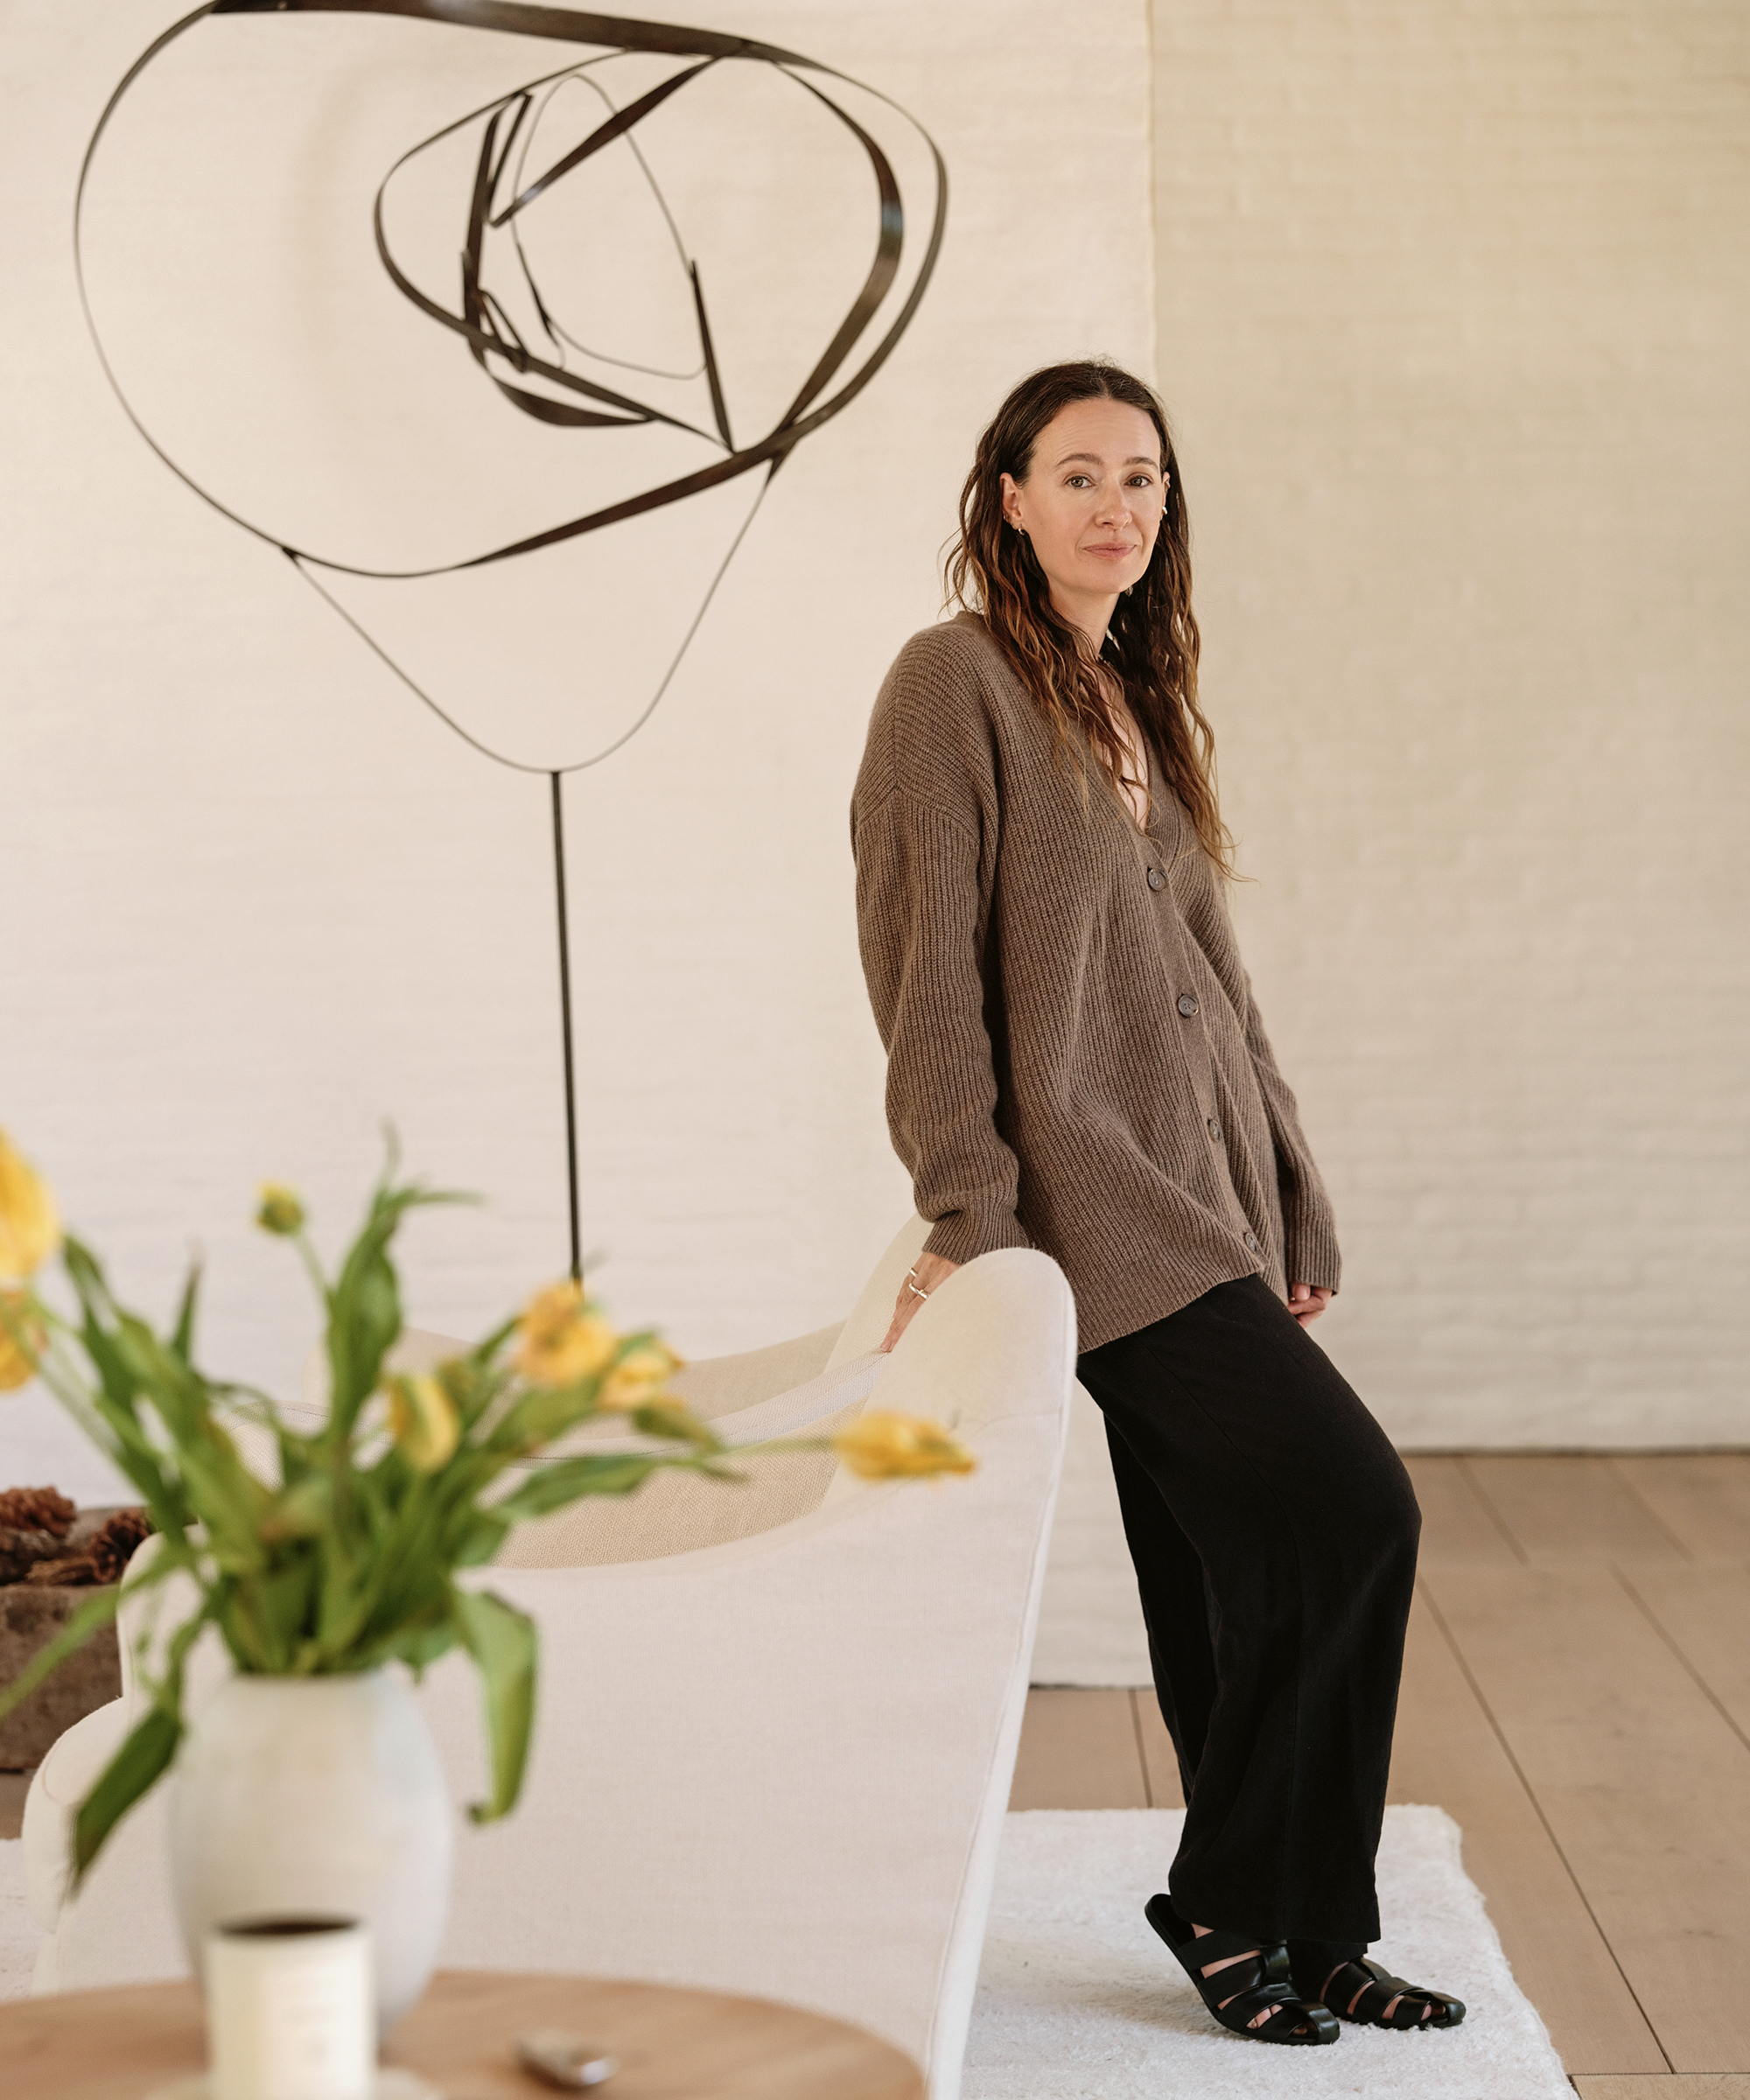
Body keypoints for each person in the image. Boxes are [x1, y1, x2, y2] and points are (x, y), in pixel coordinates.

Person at [849, 361, 1465, 2048]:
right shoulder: (949, 685)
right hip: (1091, 1209)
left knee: (1245, 1565)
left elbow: (1215, 980)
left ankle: (1314, 1928)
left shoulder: (1134, 702)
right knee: (1357, 1509)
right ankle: (1219, 1898)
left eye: (1143, 479)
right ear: (1012, 500)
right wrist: (973, 1213)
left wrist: (1292, 1192)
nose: (1119, 503)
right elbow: (923, 973)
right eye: (1081, 474)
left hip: (1206, 1198)